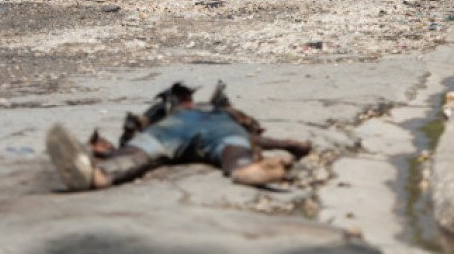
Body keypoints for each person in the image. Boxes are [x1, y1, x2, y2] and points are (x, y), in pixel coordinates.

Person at [46, 82, 312, 192]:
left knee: (139, 152)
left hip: (167, 132)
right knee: (235, 149)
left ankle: (101, 174)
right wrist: (289, 145)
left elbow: (132, 141)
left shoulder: (165, 116)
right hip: (219, 130)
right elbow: (256, 138)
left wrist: (109, 149)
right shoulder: (225, 115)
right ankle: (248, 169)